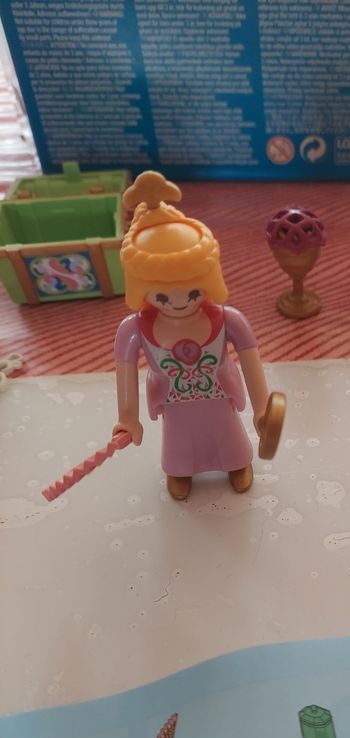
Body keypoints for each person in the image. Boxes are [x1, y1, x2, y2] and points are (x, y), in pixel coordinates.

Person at [114, 171, 272, 500]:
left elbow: (252, 365)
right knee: (178, 439)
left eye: (192, 292)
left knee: (228, 432)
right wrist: (128, 419)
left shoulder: (229, 319)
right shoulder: (133, 329)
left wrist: (262, 411)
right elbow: (125, 374)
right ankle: (180, 470)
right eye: (162, 296)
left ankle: (236, 462)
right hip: (173, 401)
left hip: (219, 395)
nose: (179, 302)